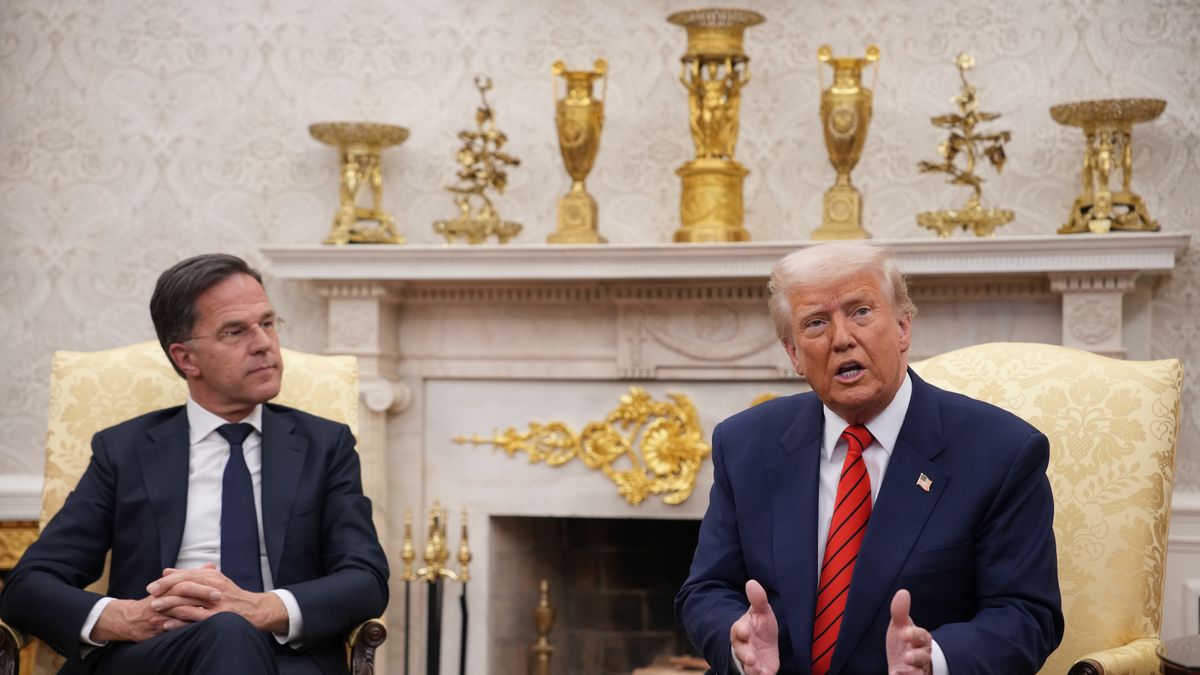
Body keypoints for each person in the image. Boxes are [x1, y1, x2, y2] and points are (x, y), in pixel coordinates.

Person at [675, 243, 1063, 675]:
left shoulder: (1001, 452)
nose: (842, 338)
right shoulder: (745, 443)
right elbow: (705, 589)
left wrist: (933, 658)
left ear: (902, 328)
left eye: (861, 312)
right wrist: (737, 639)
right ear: (793, 354)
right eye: (816, 323)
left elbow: (1027, 615)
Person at [0, 254, 388, 675]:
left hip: (287, 660)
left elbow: (365, 577)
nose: (264, 343)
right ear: (186, 359)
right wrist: (127, 617)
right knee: (226, 632)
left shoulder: (324, 445)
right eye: (235, 331)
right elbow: (29, 584)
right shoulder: (125, 449)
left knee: (231, 632)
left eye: (268, 323)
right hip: (155, 656)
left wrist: (262, 607)